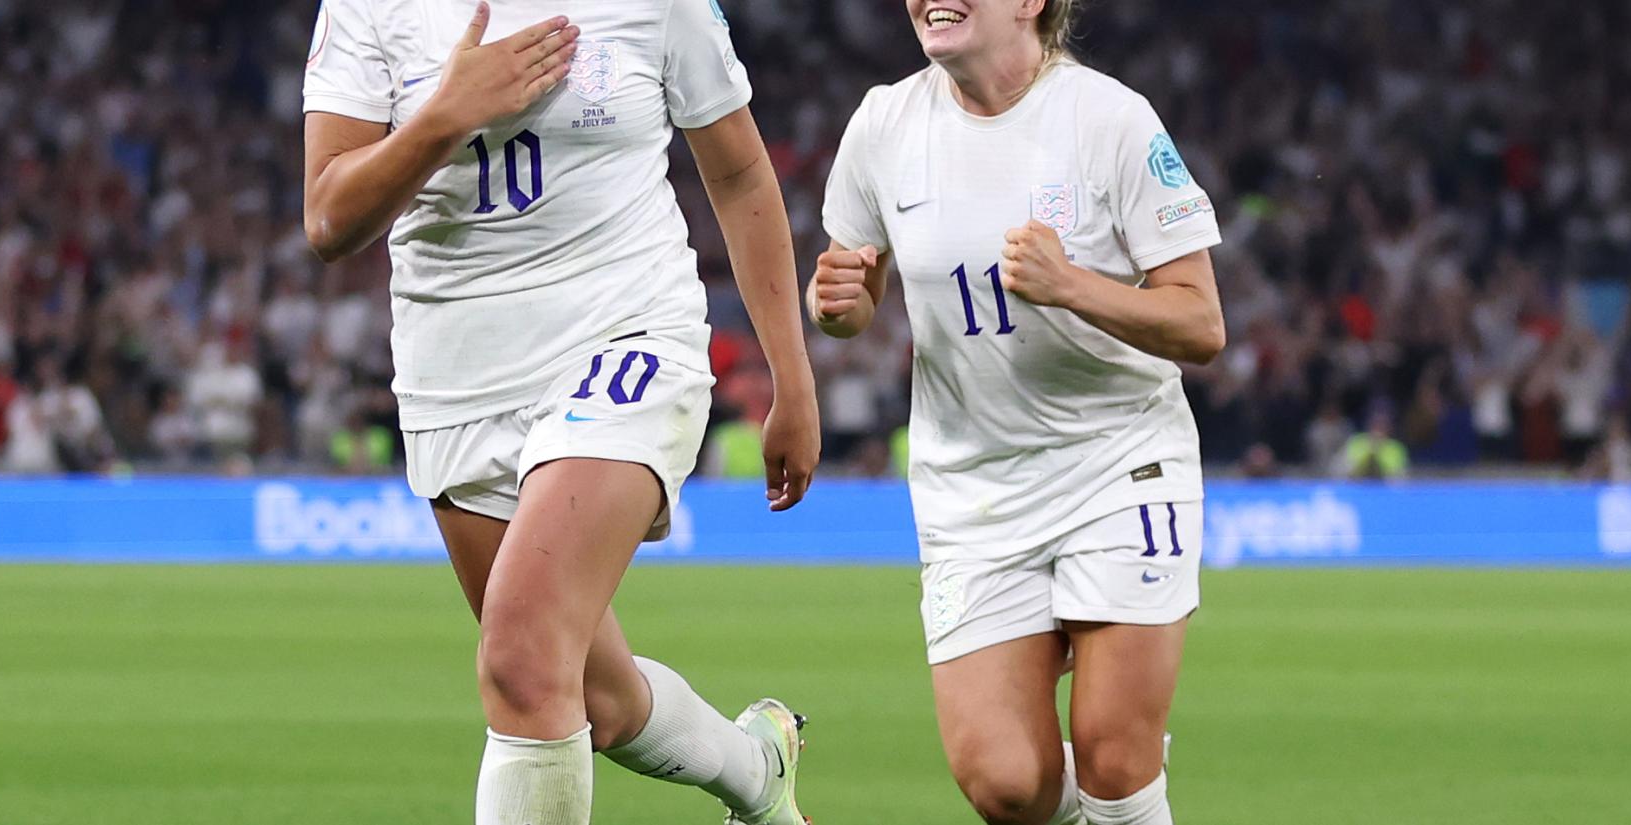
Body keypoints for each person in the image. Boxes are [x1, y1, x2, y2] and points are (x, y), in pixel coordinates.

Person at [299, 2, 822, 824]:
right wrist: (445, 114)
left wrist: (791, 376)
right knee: (586, 695)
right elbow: (330, 217)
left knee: (521, 646)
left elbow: (738, 172)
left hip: (625, 333)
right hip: (459, 380)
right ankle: (758, 769)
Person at [811, 2, 1225, 824]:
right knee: (1007, 782)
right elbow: (854, 288)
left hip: (1116, 461)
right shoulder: (884, 123)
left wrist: (1073, 284)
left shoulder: (1109, 120)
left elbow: (1201, 324)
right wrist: (838, 304)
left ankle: (1128, 783)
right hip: (972, 486)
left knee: (1112, 754)